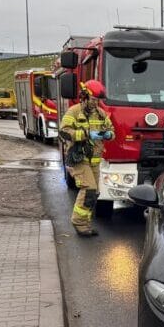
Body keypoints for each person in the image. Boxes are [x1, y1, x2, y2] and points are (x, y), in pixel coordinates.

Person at [60, 80, 115, 237]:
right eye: (93, 99)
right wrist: (86, 134)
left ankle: (85, 223)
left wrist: (108, 135)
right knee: (89, 189)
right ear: (84, 96)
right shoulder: (74, 112)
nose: (96, 103)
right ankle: (79, 223)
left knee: (94, 193)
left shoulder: (101, 113)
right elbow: (64, 132)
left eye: (98, 100)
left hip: (94, 161)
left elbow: (111, 131)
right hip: (79, 159)